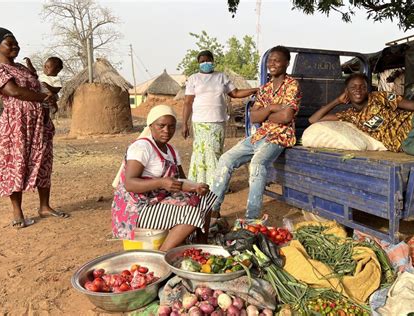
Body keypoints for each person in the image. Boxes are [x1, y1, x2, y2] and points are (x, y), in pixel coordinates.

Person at [0, 27, 69, 229]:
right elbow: (14, 91)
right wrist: (44, 97)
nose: (15, 46)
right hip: (17, 124)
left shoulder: (23, 69)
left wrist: (48, 100)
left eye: (16, 42)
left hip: (39, 122)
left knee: (43, 161)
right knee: (16, 163)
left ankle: (44, 207)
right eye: (9, 43)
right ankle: (18, 212)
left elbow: (41, 85)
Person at [210, 45, 301, 220]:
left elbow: (286, 117)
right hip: (260, 135)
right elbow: (254, 117)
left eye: (277, 60)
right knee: (226, 159)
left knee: (257, 165)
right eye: (270, 60)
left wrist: (265, 113)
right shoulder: (265, 88)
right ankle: (213, 210)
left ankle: (251, 218)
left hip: (279, 135)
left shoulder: (292, 85)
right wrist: (272, 108)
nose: (272, 63)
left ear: (286, 63)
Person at [111, 105, 218, 251]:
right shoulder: (142, 147)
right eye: (161, 126)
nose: (166, 131)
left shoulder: (172, 151)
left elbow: (180, 180)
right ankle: (162, 254)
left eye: (171, 126)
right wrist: (161, 183)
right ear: (151, 126)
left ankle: (201, 246)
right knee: (193, 212)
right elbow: (130, 183)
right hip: (137, 208)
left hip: (157, 201)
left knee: (205, 198)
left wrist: (196, 187)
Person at [309, 73, 414, 158]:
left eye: (362, 86)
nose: (358, 90)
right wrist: (336, 101)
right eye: (353, 87)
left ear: (367, 89)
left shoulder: (379, 97)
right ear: (346, 92)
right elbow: (313, 120)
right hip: (403, 142)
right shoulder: (349, 115)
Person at [182, 50, 258, 188]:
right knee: (201, 151)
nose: (206, 63)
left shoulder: (221, 77)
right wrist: (184, 124)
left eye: (208, 60)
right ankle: (199, 182)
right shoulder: (194, 78)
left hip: (218, 121)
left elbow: (235, 93)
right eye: (202, 61)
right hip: (200, 121)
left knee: (215, 151)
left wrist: (254, 90)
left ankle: (216, 184)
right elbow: (187, 102)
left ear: (213, 61)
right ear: (198, 63)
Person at [24, 56, 63, 120]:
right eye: (45, 66)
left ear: (57, 70)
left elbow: (57, 90)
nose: (45, 68)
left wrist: (48, 86)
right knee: (40, 108)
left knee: (46, 108)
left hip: (50, 95)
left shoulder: (56, 79)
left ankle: (48, 116)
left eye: (48, 67)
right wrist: (29, 64)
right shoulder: (42, 75)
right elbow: (33, 71)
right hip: (41, 95)